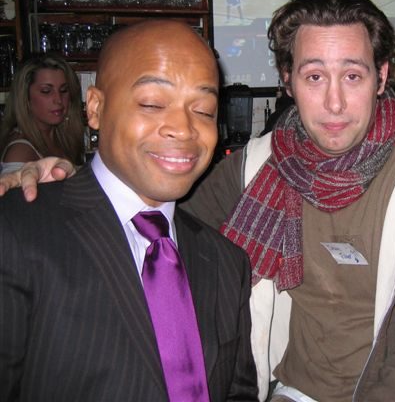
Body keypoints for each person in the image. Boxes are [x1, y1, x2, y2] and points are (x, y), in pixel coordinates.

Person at [0, 0, 395, 402]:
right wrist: (70, 181)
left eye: (353, 76)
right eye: (314, 76)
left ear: (382, 76)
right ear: (287, 81)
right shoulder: (259, 165)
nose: (334, 102)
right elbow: (153, 214)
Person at [0, 20, 258, 401]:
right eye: (152, 104)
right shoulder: (19, 230)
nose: (183, 128)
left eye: (204, 110)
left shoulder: (227, 262)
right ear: (95, 108)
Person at [0, 53, 84, 174]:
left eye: (64, 90)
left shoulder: (61, 137)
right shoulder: (20, 151)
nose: (58, 99)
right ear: (25, 97)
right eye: (46, 91)